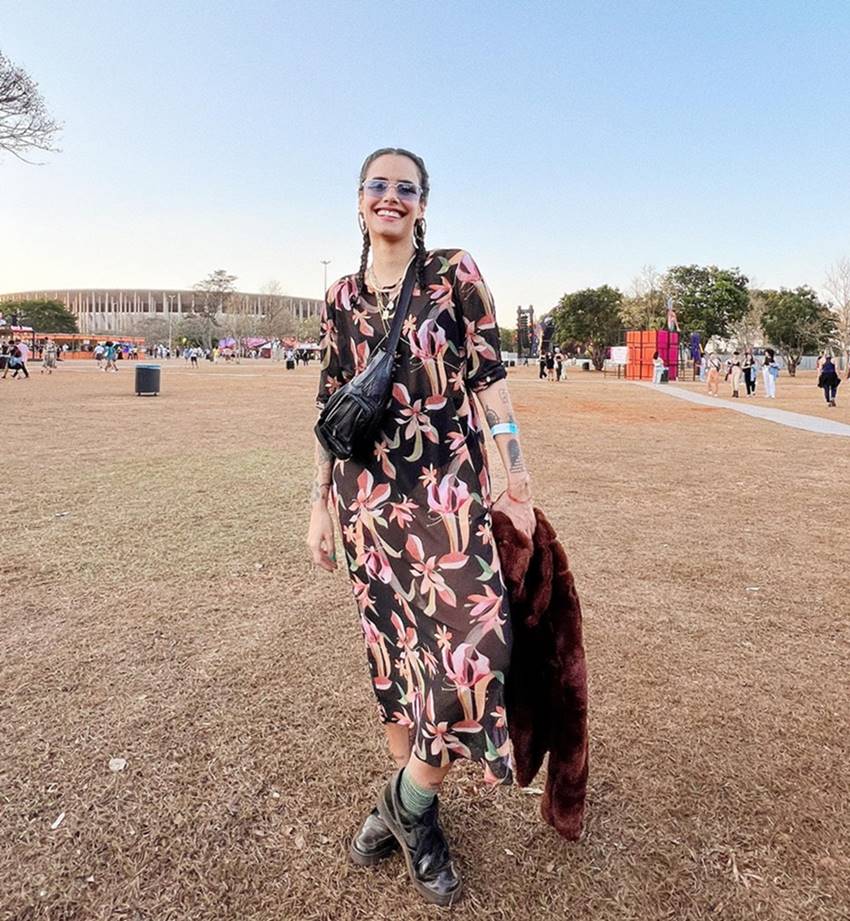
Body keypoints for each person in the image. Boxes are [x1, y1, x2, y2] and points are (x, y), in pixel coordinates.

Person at [307, 147, 535, 907]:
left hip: (446, 496)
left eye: (406, 188)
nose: (391, 197)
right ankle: (421, 815)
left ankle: (400, 805)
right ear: (359, 201)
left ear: (423, 203)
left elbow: (490, 377)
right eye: (379, 185)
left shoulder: (454, 274)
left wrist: (516, 472)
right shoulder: (340, 297)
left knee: (478, 649)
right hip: (367, 502)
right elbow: (331, 410)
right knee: (399, 655)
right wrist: (318, 502)